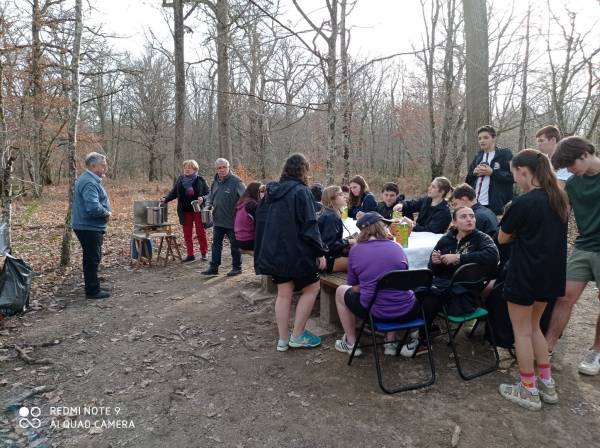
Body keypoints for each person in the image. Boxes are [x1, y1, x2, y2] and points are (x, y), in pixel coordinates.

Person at [497, 148, 568, 411]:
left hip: (525, 274)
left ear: (524, 172)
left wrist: (517, 234)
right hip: (550, 275)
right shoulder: (559, 199)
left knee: (522, 332)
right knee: (535, 327)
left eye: (515, 174)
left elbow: (502, 238)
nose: (515, 179)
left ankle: (528, 388)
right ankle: (546, 384)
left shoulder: (524, 202)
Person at [401, 206, 499, 357]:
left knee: (430, 298)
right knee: (419, 289)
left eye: (471, 216)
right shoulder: (446, 239)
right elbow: (432, 268)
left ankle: (423, 339)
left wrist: (459, 258)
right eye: (464, 216)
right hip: (444, 287)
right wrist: (436, 262)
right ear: (454, 222)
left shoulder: (482, 238)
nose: (469, 219)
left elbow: (493, 256)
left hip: (465, 295)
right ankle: (426, 331)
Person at [254, 154, 328, 352]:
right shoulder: (302, 192)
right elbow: (310, 225)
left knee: (284, 294)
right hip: (297, 252)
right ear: (304, 170)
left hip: (276, 253)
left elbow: (260, 222)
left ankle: (283, 340)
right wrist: (320, 252)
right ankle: (297, 335)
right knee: (312, 288)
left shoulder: (271, 192)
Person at [547, 136, 600, 376]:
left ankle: (596, 351)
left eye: (571, 164)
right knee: (564, 296)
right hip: (584, 245)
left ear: (586, 154)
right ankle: (547, 346)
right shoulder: (574, 183)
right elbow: (562, 210)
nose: (569, 170)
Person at [334, 212, 420, 357]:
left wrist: (370, 285)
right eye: (386, 225)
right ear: (381, 227)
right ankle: (390, 343)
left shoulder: (356, 250)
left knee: (340, 291)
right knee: (392, 289)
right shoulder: (397, 247)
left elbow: (354, 287)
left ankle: (351, 343)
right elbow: (402, 280)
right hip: (406, 308)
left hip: (375, 311)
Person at [72, 152, 112, 300]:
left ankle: (94, 285)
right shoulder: (89, 182)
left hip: (88, 225)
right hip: (87, 226)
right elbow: (93, 207)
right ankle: (92, 291)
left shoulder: (90, 179)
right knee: (92, 258)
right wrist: (107, 213)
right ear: (93, 166)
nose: (105, 168)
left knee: (92, 257)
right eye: (103, 165)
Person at [201, 158, 246, 276]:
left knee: (235, 246)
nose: (221, 170)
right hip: (218, 220)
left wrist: (241, 213)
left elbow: (246, 199)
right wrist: (207, 206)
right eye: (219, 168)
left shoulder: (237, 182)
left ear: (228, 167)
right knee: (216, 244)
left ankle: (237, 267)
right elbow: (211, 196)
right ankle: (214, 267)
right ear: (216, 169)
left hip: (233, 221)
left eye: (224, 167)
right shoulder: (215, 181)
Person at [162, 160, 210, 262]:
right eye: (185, 167)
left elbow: (209, 193)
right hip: (184, 211)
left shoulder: (201, 180)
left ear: (195, 169)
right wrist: (165, 199)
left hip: (197, 211)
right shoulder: (180, 180)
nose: (187, 169)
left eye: (190, 167)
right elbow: (174, 192)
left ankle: (203, 253)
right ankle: (190, 254)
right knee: (187, 233)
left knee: (200, 232)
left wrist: (203, 198)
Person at [465, 125, 514, 215]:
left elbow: (513, 177)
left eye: (485, 137)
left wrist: (492, 172)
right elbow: (467, 180)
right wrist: (474, 173)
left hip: (496, 206)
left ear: (494, 138)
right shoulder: (478, 156)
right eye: (479, 139)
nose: (482, 141)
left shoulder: (505, 154)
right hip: (475, 204)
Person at [318, 186, 354, 273]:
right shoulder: (331, 217)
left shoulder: (328, 213)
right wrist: (348, 241)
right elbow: (328, 246)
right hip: (325, 260)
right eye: (341, 194)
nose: (345, 196)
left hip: (325, 257)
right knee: (361, 262)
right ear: (332, 199)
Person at [234, 182, 262, 252]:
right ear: (256, 192)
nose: (262, 193)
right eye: (261, 191)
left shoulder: (242, 202)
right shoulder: (252, 205)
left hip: (238, 238)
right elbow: (259, 224)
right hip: (248, 241)